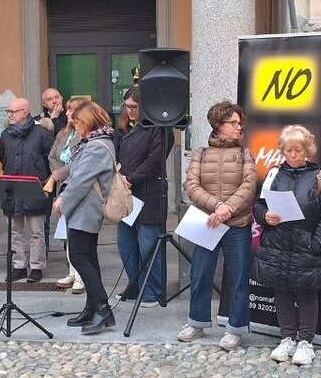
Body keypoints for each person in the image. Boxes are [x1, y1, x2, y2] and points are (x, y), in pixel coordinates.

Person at [254, 125, 321, 367]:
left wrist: (317, 245)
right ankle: (287, 337)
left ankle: (305, 342)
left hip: (306, 245)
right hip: (278, 243)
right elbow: (258, 205)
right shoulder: (273, 174)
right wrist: (265, 216)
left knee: (306, 293)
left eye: (298, 150)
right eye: (288, 150)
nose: (293, 155)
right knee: (281, 290)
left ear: (307, 151)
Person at [179, 100, 257, 351]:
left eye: (239, 123)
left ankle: (235, 329)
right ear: (218, 125)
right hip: (208, 223)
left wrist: (227, 209)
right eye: (232, 123)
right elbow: (191, 186)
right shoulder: (201, 153)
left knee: (238, 277)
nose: (238, 127)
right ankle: (197, 322)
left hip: (238, 224)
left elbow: (249, 185)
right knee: (200, 274)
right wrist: (217, 206)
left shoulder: (245, 154)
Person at [51, 101, 118, 335]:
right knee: (88, 257)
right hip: (83, 207)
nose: (75, 125)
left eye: (78, 121)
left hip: (85, 209)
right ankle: (91, 308)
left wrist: (63, 202)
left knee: (80, 258)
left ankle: (102, 308)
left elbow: (81, 180)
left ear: (89, 121)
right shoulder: (91, 142)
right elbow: (76, 171)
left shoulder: (97, 145)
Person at [116, 87, 169, 305]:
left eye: (134, 107)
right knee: (125, 243)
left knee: (148, 245)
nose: (129, 111)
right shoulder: (127, 130)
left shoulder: (157, 129)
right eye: (127, 106)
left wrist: (131, 178)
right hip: (127, 196)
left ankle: (152, 290)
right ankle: (135, 285)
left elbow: (155, 160)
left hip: (148, 194)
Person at [0, 97, 54, 282]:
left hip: (35, 190)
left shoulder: (42, 134)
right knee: (15, 230)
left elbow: (51, 161)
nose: (10, 115)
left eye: (13, 111)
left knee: (37, 231)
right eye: (9, 111)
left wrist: (46, 186)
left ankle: (37, 267)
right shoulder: (6, 134)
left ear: (26, 112)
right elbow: (2, 157)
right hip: (12, 190)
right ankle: (18, 265)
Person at [45, 96, 90, 293]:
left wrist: (61, 173)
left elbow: (79, 162)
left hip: (78, 187)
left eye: (71, 110)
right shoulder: (63, 134)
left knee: (80, 233)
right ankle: (72, 271)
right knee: (67, 233)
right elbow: (53, 155)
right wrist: (58, 175)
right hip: (62, 185)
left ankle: (82, 276)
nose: (67, 113)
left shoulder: (87, 135)